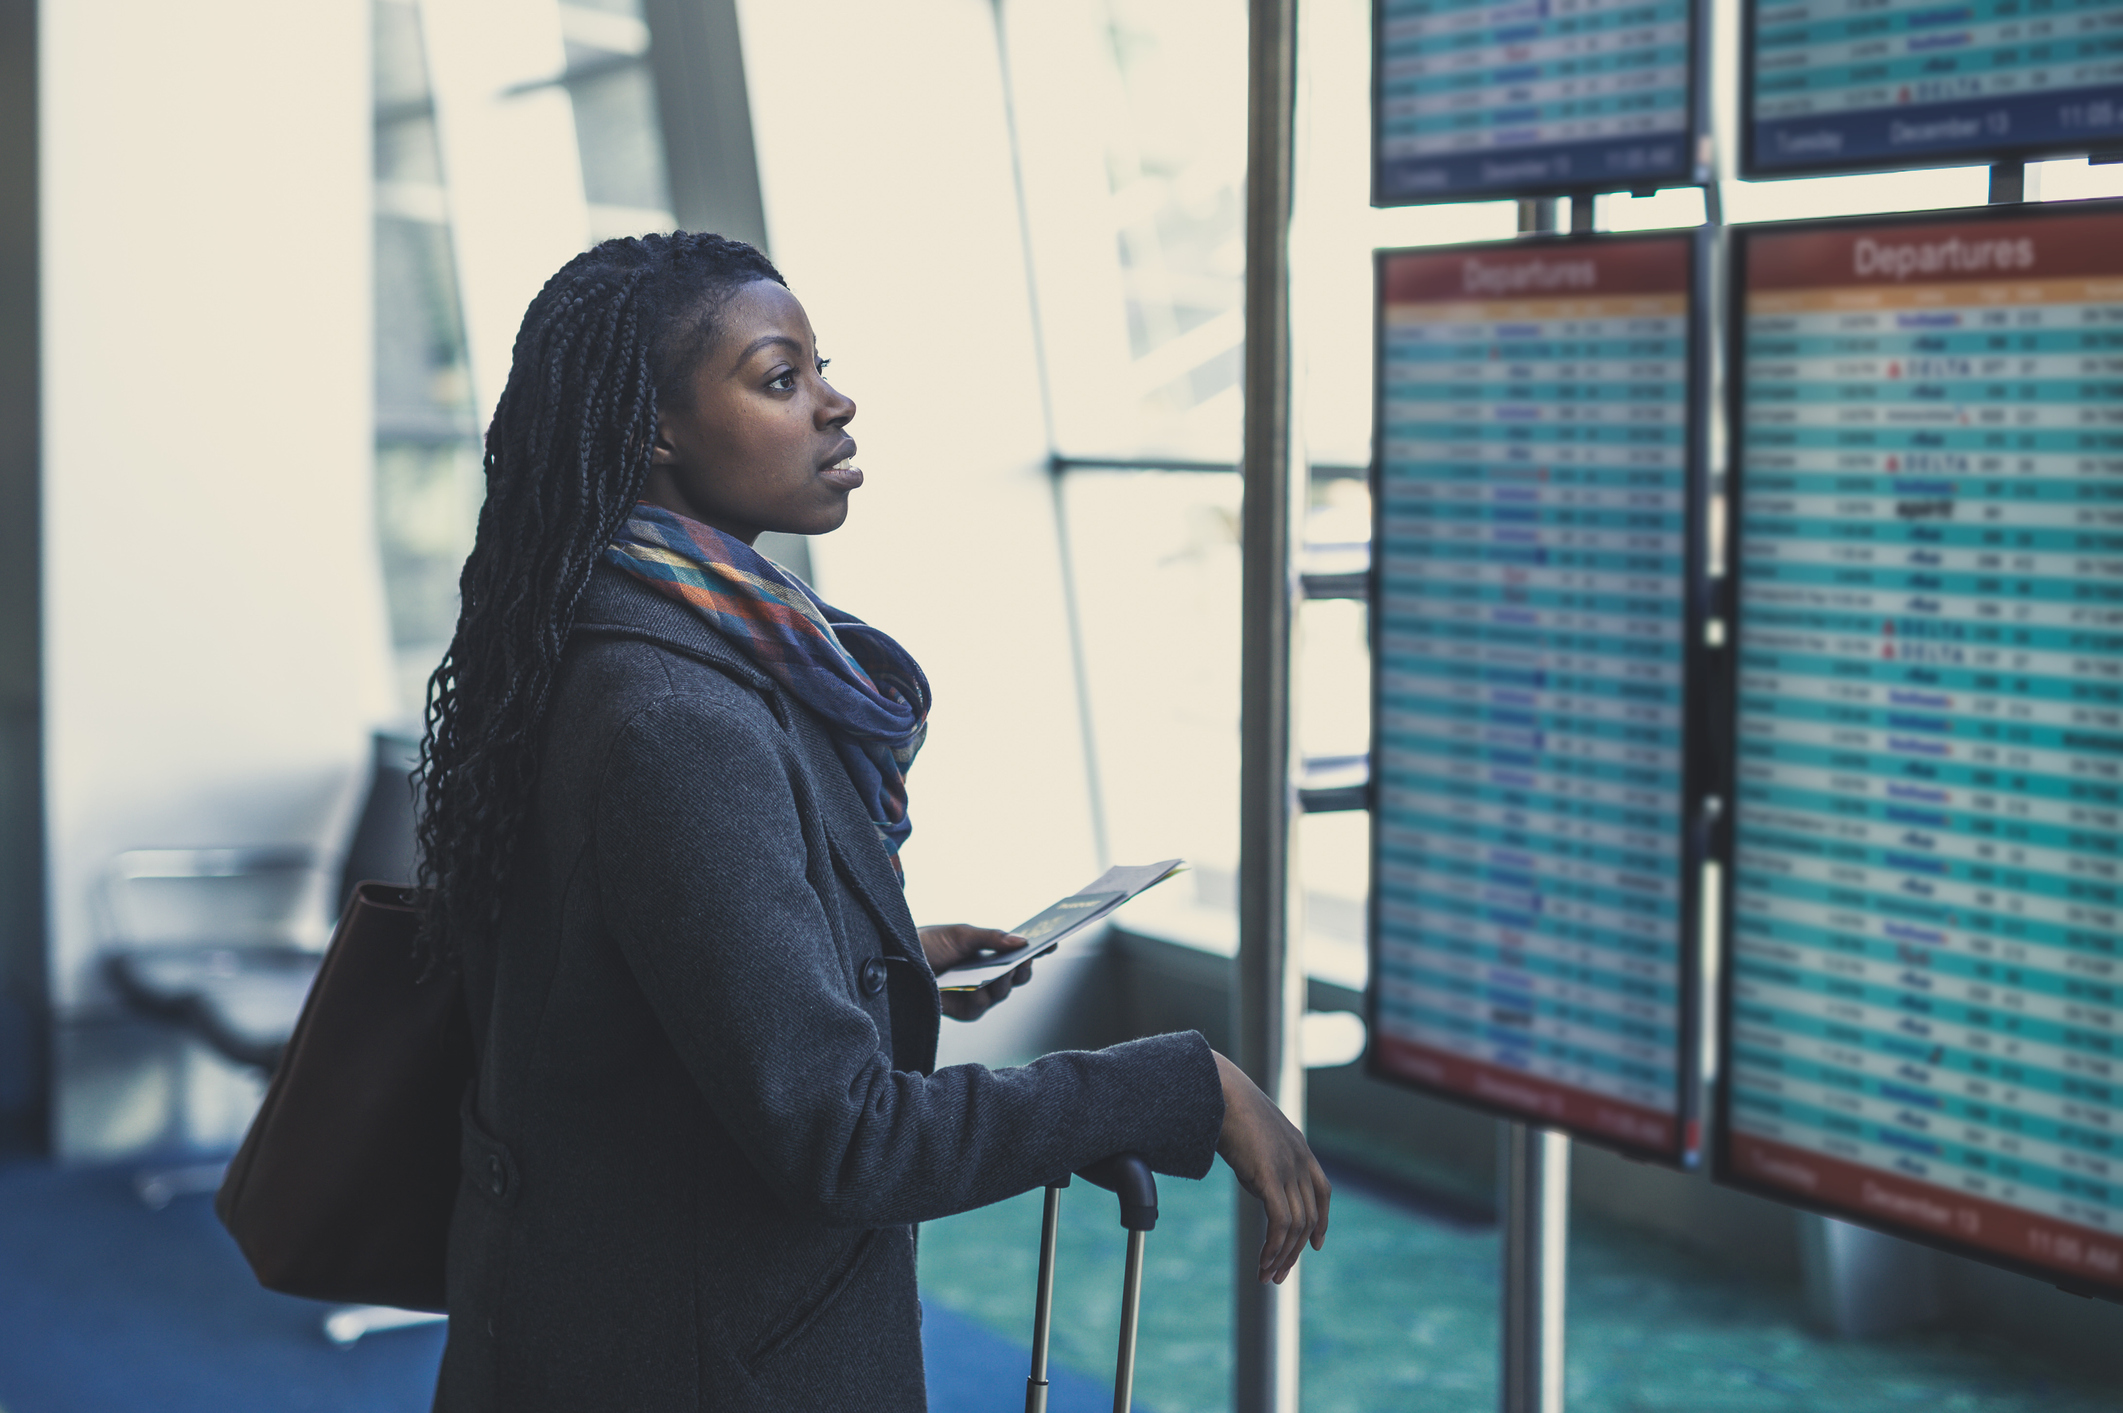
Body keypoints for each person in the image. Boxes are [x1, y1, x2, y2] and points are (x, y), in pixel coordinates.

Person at [416, 231, 1330, 1412]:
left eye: (817, 368)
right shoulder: (675, 717)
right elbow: (844, 1139)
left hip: (595, 1315)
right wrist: (1176, 1085)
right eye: (778, 377)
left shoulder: (593, 635)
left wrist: (871, 958)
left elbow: (617, 979)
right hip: (697, 1357)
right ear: (653, 429)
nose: (835, 403)